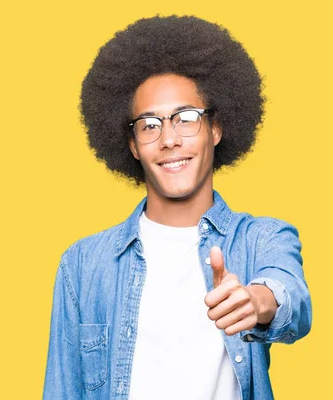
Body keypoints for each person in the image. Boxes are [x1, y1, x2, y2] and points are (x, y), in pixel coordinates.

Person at [42, 15, 312, 400]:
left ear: (215, 129)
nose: (169, 139)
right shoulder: (83, 265)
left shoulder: (261, 239)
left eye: (186, 118)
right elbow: (62, 391)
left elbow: (293, 300)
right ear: (133, 144)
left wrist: (258, 301)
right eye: (150, 124)